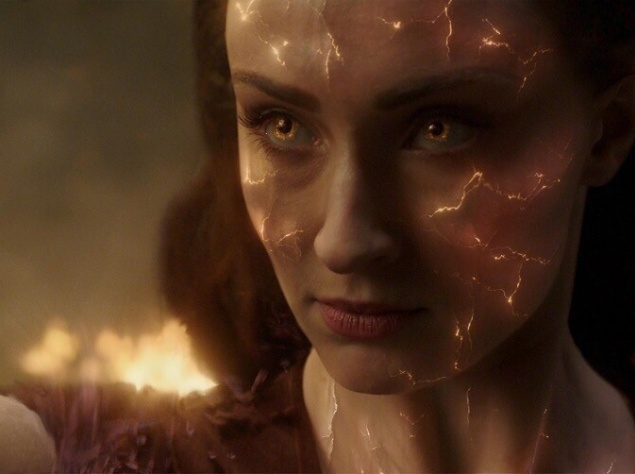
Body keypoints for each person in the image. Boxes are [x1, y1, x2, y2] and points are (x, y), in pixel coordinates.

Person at [5, 0, 635, 472]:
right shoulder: (90, 456)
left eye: (440, 129)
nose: (343, 241)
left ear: (607, 130)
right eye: (282, 124)